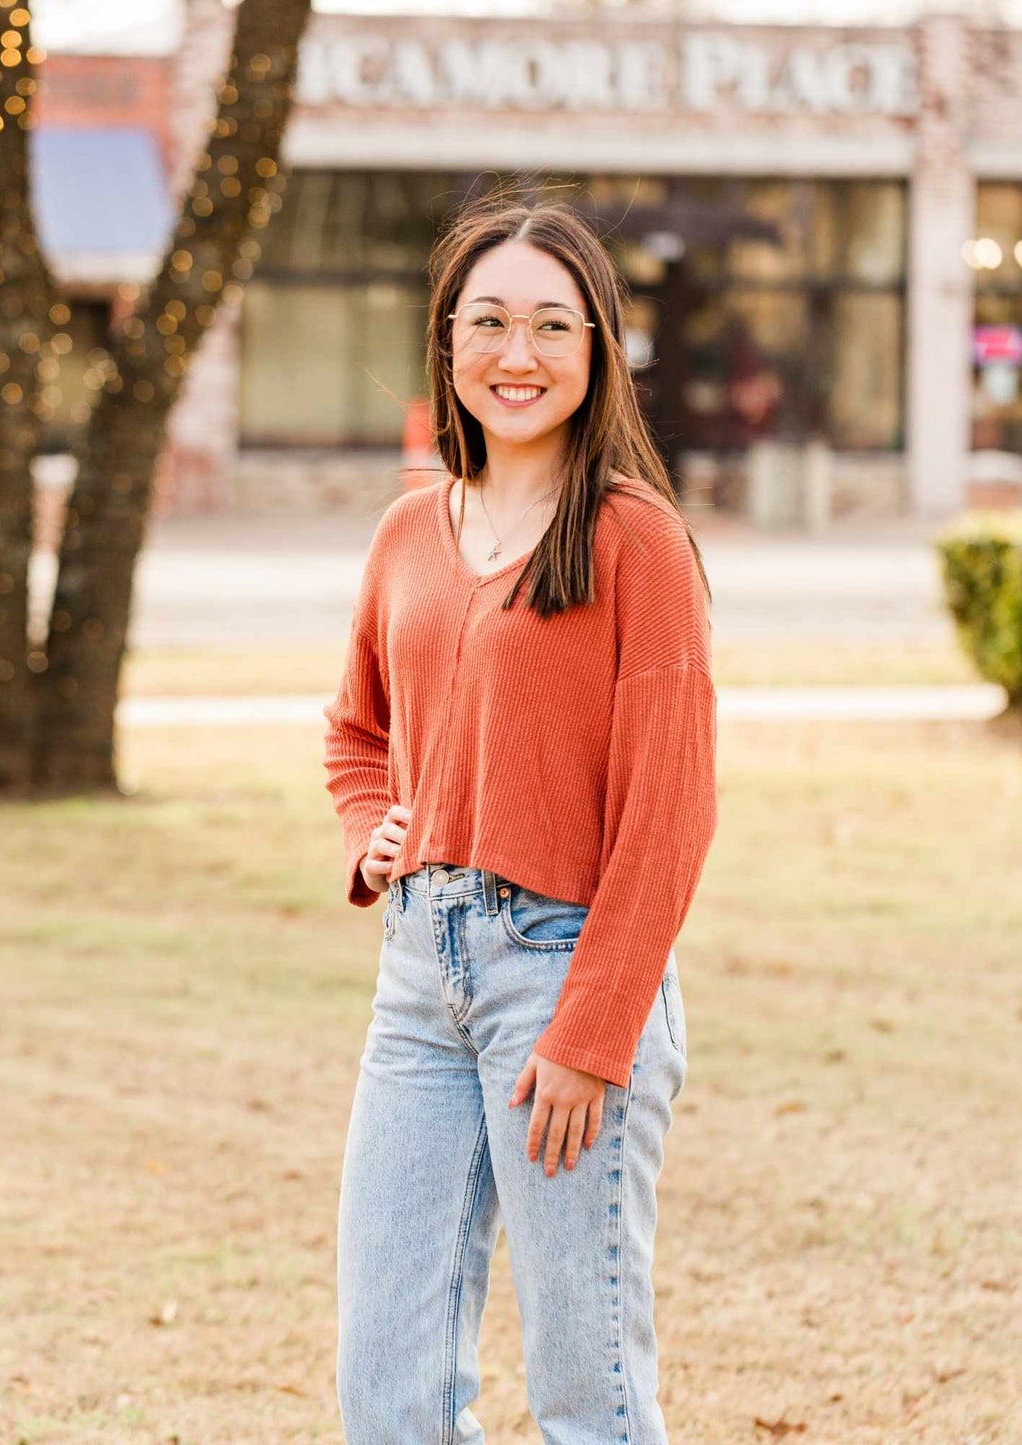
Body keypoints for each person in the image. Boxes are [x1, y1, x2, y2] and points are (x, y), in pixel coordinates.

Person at [321, 196, 719, 1444]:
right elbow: (354, 729)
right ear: (447, 342)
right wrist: (373, 824)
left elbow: (669, 812)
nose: (517, 353)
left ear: (597, 349)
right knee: (387, 1383)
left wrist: (593, 1033)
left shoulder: (633, 540)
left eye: (552, 324)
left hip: (564, 975)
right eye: (487, 321)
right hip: (416, 981)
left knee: (586, 1391)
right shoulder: (406, 530)